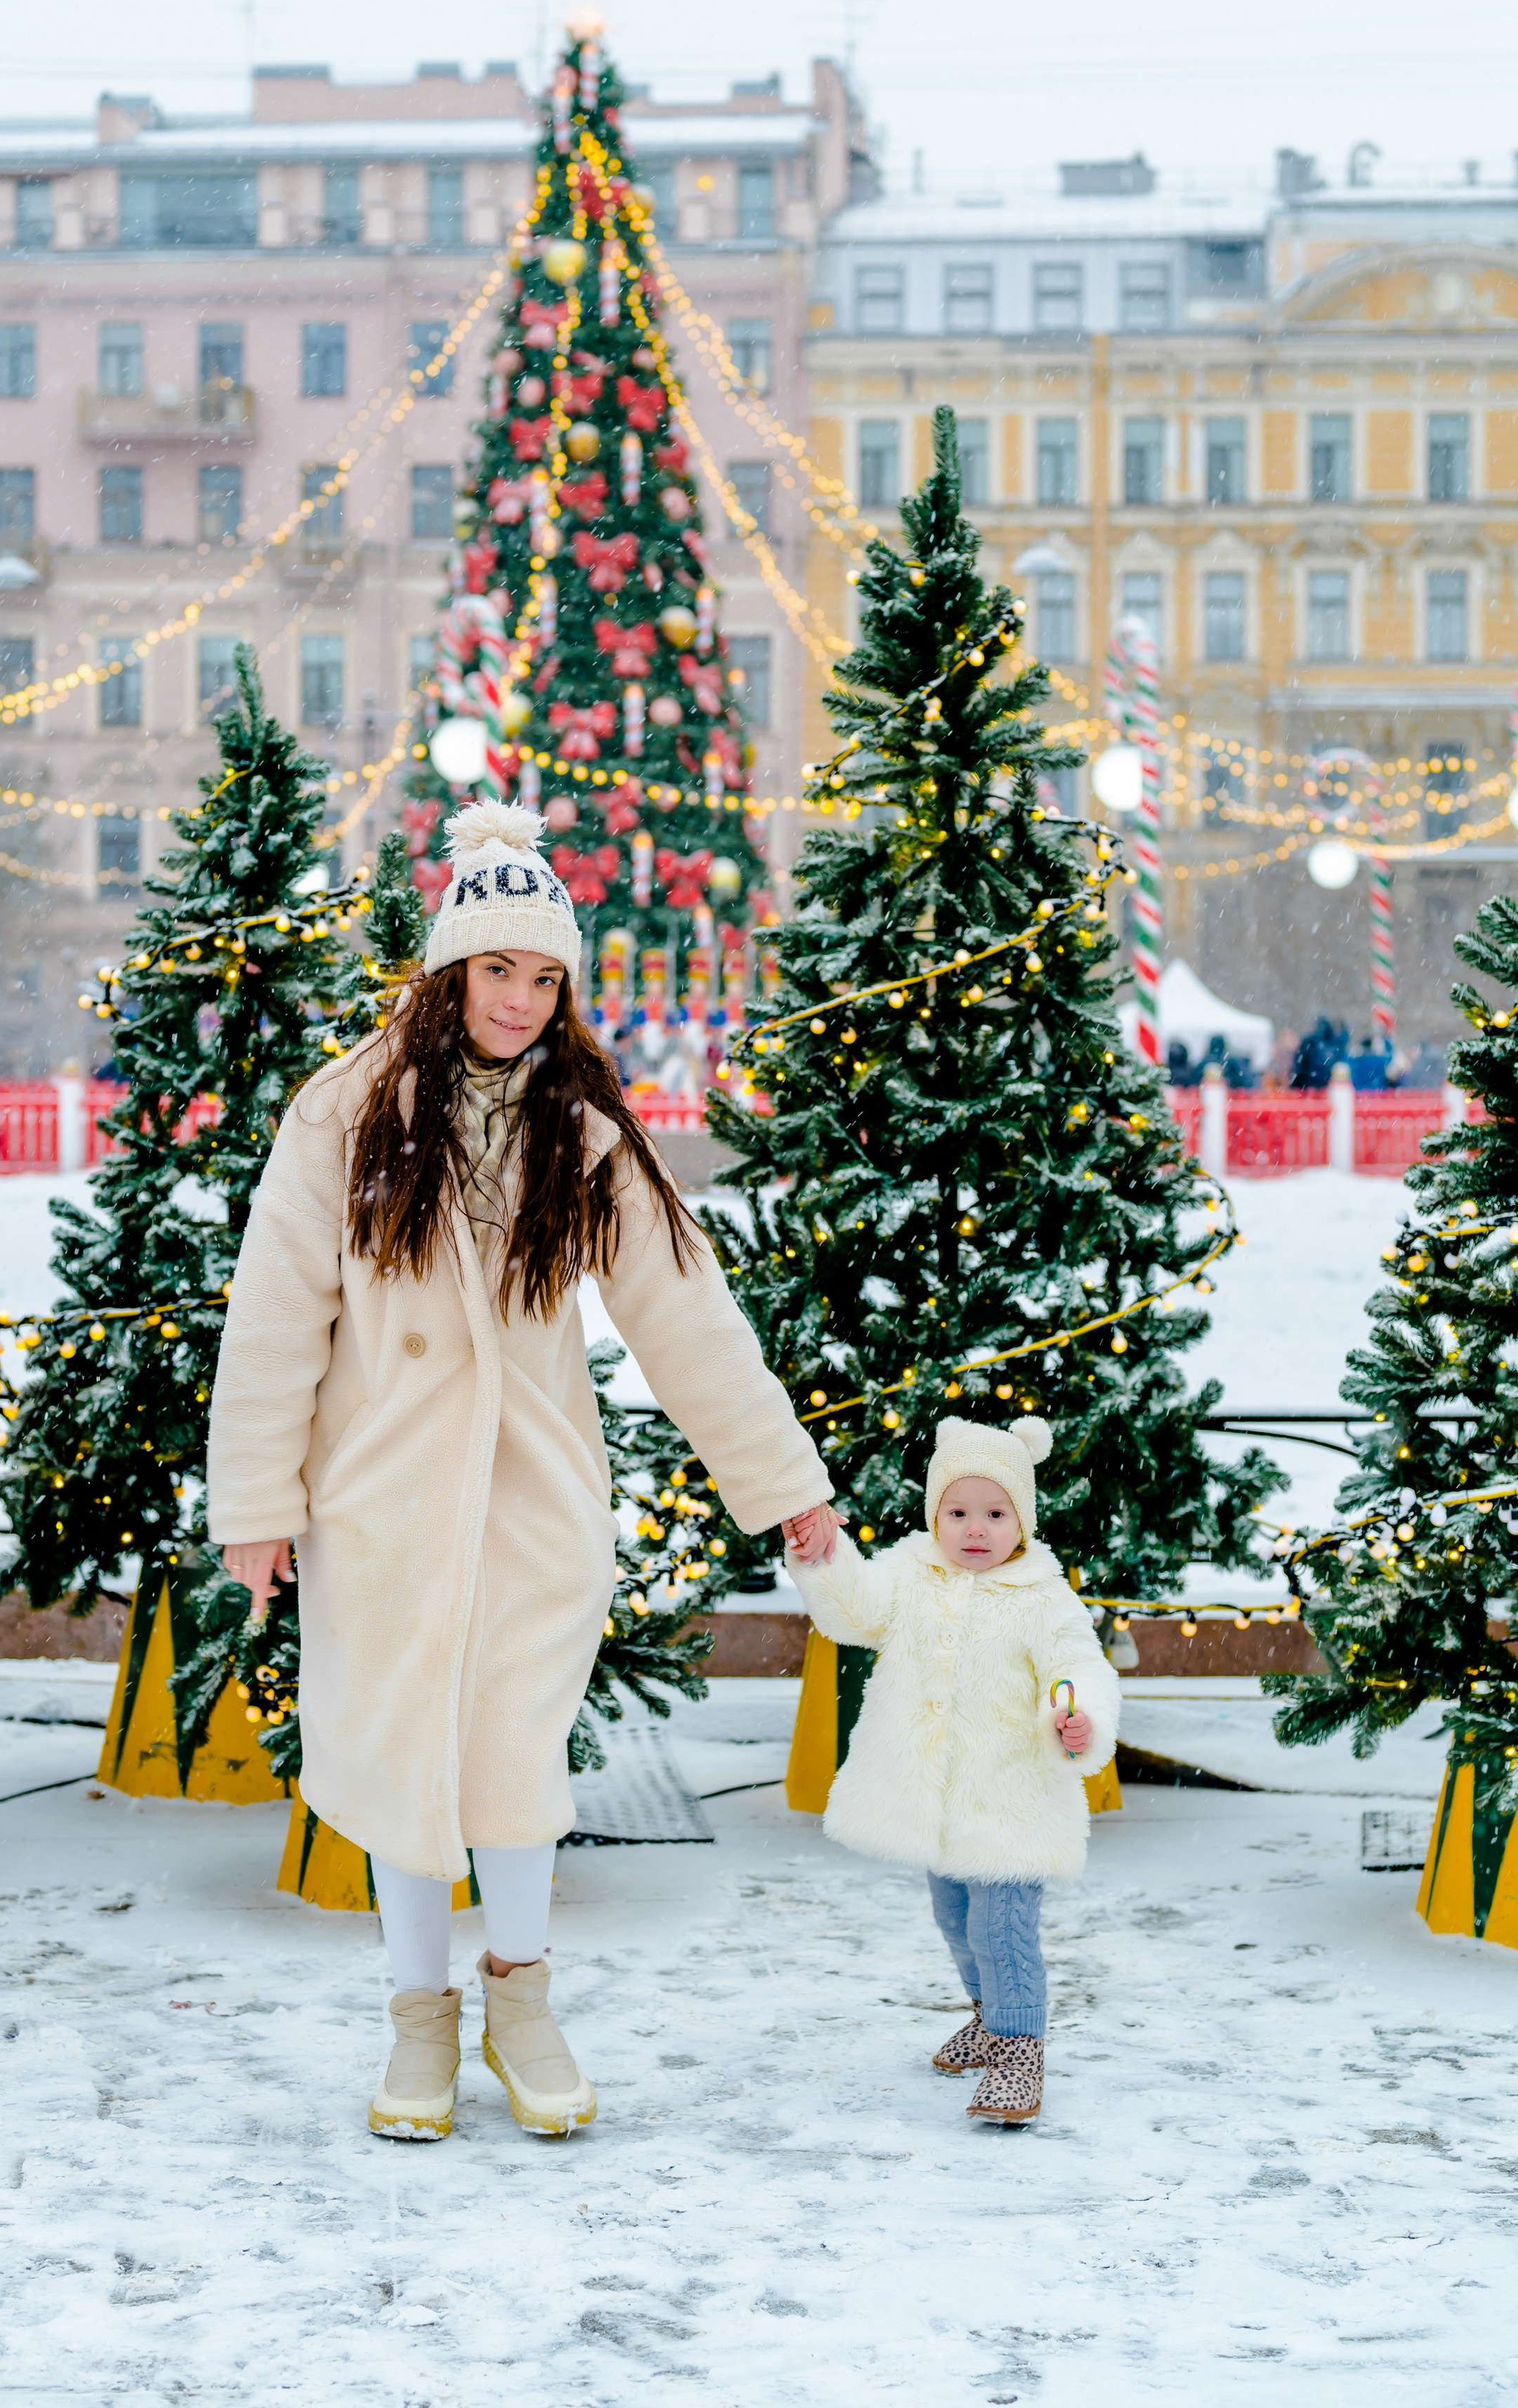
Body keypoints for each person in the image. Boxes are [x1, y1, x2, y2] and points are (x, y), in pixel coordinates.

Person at [208, 800, 833, 2143]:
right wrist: (256, 1502)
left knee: (512, 1759)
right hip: (381, 1501)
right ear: (451, 968)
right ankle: (418, 2016)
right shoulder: (345, 1112)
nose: (521, 999)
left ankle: (522, 1999)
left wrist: (783, 1476)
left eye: (546, 976)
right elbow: (274, 1316)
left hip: (532, 1499)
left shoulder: (581, 1128)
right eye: (499, 967)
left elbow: (684, 1309)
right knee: (400, 1760)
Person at [784, 1416, 1119, 2125]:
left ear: (1021, 1522)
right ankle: (987, 2015)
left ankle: (1019, 2046)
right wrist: (824, 1556)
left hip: (1010, 1799)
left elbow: (1075, 1666)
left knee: (1003, 1927)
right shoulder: (911, 1576)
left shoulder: (1041, 1596)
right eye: (958, 1512)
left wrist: (1076, 1714)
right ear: (934, 1514)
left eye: (996, 1514)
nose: (975, 1529)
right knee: (956, 1918)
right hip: (938, 1800)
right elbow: (852, 1611)